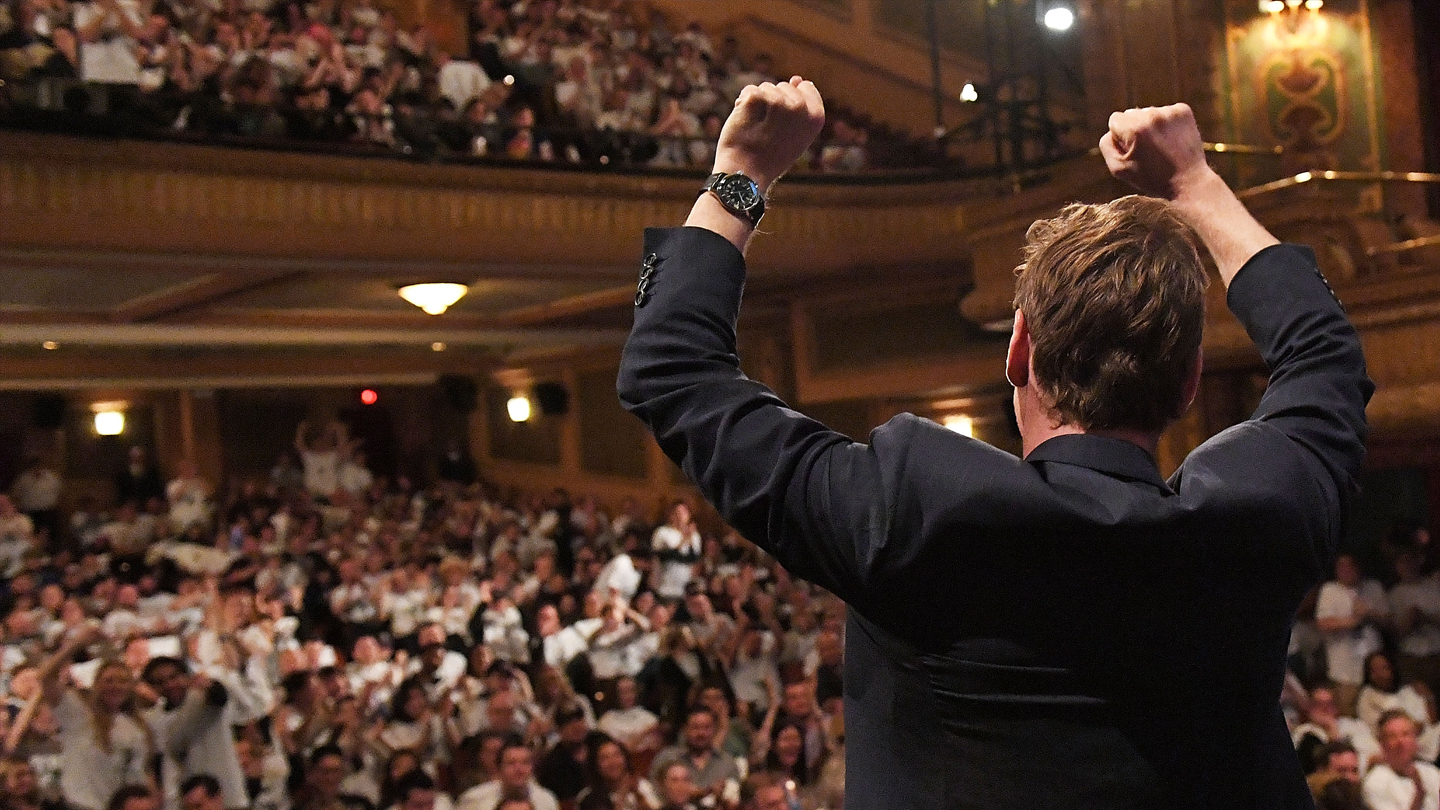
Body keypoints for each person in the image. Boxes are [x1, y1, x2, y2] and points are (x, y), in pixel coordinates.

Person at [615, 78, 1372, 808]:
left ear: (1019, 350)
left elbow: (674, 370)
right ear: (1189, 382)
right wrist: (1196, 185)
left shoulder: (911, 511)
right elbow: (1324, 354)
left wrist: (741, 172)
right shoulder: (1265, 516)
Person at [1362, 710, 1440, 810]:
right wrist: (1419, 794)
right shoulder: (1375, 782)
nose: (1400, 741)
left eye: (1406, 734)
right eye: (1392, 736)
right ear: (1382, 744)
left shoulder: (1431, 772)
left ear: (1415, 739)